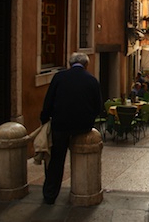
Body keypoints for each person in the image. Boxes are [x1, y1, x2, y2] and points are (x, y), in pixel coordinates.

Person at [39, 52, 102, 204]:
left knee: (56, 161)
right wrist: (90, 120)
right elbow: (98, 107)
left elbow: (48, 101)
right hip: (83, 127)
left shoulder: (59, 77)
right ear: (86, 65)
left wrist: (44, 119)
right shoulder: (92, 80)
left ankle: (50, 195)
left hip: (60, 125)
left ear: (69, 63)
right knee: (82, 158)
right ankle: (82, 192)